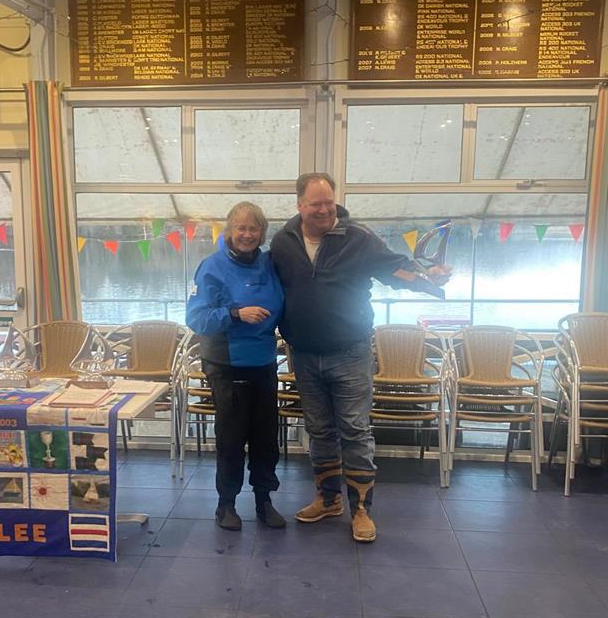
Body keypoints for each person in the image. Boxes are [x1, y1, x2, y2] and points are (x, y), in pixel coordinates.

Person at [269, 173, 451, 543]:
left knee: (354, 431)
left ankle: (362, 509)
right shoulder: (283, 242)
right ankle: (328, 499)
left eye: (328, 201)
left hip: (350, 352)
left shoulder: (358, 238)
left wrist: (428, 278)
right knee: (319, 431)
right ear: (299, 204)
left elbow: (395, 269)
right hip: (302, 353)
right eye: (315, 203)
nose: (324, 209)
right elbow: (268, 283)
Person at [186, 201, 286, 531]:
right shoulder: (211, 267)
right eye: (240, 228)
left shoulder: (268, 264)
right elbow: (195, 318)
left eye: (253, 228)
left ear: (262, 232)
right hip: (228, 363)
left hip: (265, 362)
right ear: (229, 230)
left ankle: (264, 500)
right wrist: (235, 314)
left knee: (266, 436)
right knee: (232, 437)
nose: (247, 234)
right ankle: (225, 504)